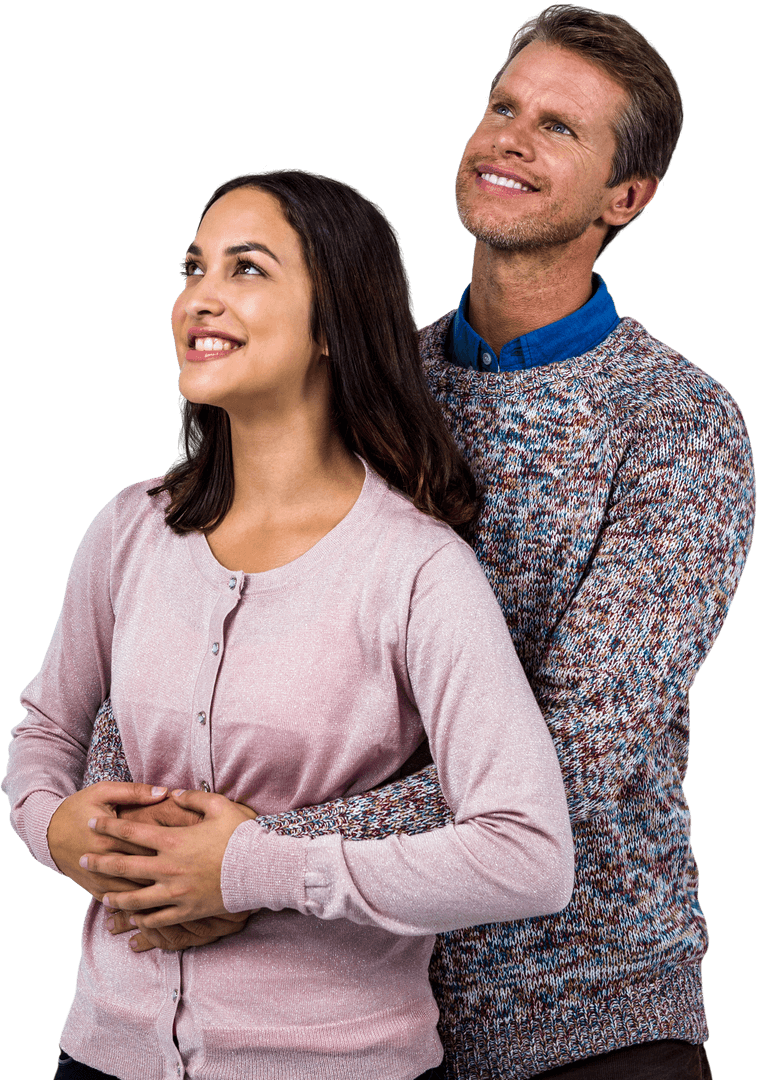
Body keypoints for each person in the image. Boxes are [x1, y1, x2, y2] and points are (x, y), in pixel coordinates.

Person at [79, 5, 755, 1079]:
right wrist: (158, 842)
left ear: (625, 197)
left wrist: (244, 858)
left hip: (584, 1011)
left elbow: (571, 762)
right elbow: (183, 624)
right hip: (349, 1005)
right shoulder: (362, 380)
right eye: (502, 106)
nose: (509, 139)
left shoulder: (678, 425)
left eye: (558, 128)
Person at [2, 169, 574, 1080]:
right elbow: (46, 734)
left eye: (246, 269)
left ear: (332, 324)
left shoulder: (418, 571)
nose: (199, 298)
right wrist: (52, 828)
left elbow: (527, 856)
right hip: (101, 1055)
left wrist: (251, 868)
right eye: (192, 268)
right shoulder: (128, 529)